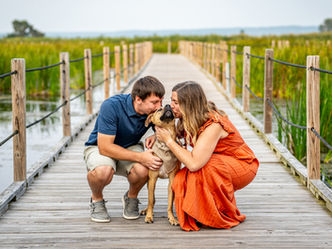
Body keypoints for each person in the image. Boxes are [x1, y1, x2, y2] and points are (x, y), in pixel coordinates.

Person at [155, 81, 259, 231]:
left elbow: (194, 163)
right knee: (180, 179)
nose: (171, 105)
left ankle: (220, 213)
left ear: (189, 105)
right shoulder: (189, 117)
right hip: (218, 161)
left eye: (176, 102)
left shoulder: (213, 125)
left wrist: (169, 141)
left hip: (243, 165)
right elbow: (177, 134)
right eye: (171, 100)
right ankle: (201, 212)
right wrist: (155, 136)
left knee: (205, 168)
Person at [84, 76, 165, 223]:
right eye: (154, 102)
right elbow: (105, 147)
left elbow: (173, 129)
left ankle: (131, 197)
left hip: (130, 146)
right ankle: (96, 200)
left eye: (161, 101)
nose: (159, 106)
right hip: (100, 147)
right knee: (103, 171)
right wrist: (141, 157)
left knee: (147, 167)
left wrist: (156, 135)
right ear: (138, 99)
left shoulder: (152, 112)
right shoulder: (111, 106)